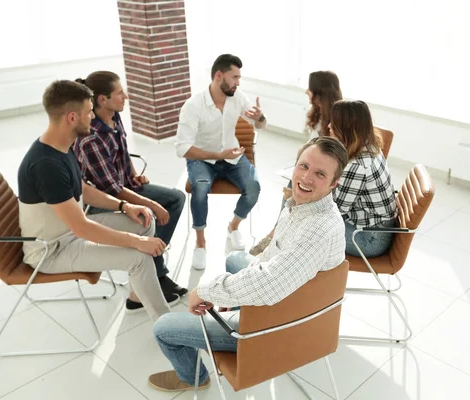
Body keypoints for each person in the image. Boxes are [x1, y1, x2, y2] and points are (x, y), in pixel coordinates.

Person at [147, 136, 348, 393]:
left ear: (334, 183)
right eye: (304, 166)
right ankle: (235, 299)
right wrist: (234, 292)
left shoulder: (317, 229)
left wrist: (207, 290)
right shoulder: (302, 205)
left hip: (278, 324)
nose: (306, 178)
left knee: (163, 328)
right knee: (236, 260)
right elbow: (272, 257)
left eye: (320, 174)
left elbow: (270, 285)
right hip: (294, 300)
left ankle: (193, 378)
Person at [17, 80, 174, 321]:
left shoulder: (62, 145)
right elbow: (81, 227)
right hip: (53, 250)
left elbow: (82, 189)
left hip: (68, 233)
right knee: (139, 257)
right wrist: (137, 242)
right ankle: (169, 328)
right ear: (72, 117)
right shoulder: (45, 165)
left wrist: (125, 205)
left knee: (144, 219)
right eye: (89, 112)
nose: (93, 117)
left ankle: (138, 295)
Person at [73, 71, 188, 308]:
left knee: (174, 199)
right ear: (102, 100)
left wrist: (134, 173)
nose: (125, 96)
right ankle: (152, 276)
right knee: (159, 209)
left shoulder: (114, 115)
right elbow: (112, 190)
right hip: (101, 200)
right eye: (119, 93)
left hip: (123, 185)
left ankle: (152, 272)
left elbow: (122, 151)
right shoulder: (91, 138)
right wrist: (152, 204)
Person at [174, 54, 266, 270]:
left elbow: (259, 126)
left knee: (254, 187)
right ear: (218, 76)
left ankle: (233, 226)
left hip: (232, 156)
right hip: (203, 159)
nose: (238, 83)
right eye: (234, 77)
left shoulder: (238, 96)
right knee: (200, 187)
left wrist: (260, 118)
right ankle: (200, 242)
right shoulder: (193, 105)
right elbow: (182, 148)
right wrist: (218, 154)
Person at [249, 70, 343, 255]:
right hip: (317, 172)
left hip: (328, 181)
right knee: (293, 182)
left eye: (310, 88)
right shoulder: (316, 113)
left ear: (319, 91)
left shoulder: (338, 120)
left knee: (294, 186)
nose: (306, 92)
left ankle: (274, 236)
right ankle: (276, 234)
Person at [329, 100, 398, 257]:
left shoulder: (358, 165)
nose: (329, 127)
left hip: (369, 239)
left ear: (345, 129)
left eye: (334, 123)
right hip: (376, 226)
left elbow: (335, 211)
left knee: (308, 226)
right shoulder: (370, 145)